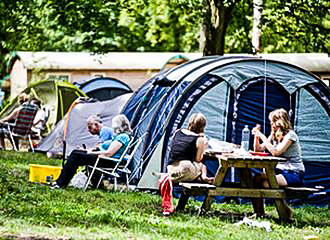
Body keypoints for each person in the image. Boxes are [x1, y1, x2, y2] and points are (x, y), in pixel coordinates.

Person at [51, 114, 131, 189]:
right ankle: (61, 181)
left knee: (76, 156)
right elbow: (103, 149)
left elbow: (109, 153)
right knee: (76, 152)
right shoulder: (118, 136)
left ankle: (60, 183)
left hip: (109, 161)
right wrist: (88, 151)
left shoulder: (123, 137)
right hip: (104, 159)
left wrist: (91, 153)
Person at [252, 108, 305, 187]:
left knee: (259, 178)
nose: (271, 124)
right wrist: (256, 137)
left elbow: (276, 152)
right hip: (279, 171)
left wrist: (262, 136)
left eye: (273, 121)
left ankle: (278, 199)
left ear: (279, 122)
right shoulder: (274, 134)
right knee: (261, 182)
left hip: (293, 172)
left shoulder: (290, 136)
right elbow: (258, 149)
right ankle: (276, 200)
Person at [167, 113, 214, 184]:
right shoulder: (200, 139)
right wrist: (204, 146)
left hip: (171, 170)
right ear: (202, 126)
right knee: (202, 165)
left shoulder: (177, 132)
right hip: (185, 169)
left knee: (193, 167)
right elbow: (198, 159)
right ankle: (204, 177)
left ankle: (198, 178)